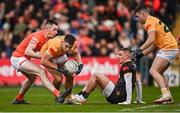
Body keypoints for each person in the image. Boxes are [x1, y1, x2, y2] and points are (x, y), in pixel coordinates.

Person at [11, 19, 71, 104]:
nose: (56, 32)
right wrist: (42, 56)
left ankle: (19, 98)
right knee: (41, 71)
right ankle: (58, 94)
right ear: (47, 29)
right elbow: (28, 51)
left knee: (32, 78)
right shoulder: (38, 36)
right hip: (18, 58)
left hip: (24, 59)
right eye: (54, 30)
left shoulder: (50, 39)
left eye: (57, 30)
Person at [131, 6, 178, 104]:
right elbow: (153, 45)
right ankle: (168, 96)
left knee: (153, 71)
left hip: (168, 48)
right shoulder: (153, 20)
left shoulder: (149, 22)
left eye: (138, 16)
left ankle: (165, 95)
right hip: (171, 47)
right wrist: (141, 54)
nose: (137, 19)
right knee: (159, 72)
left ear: (144, 14)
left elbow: (151, 39)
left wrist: (139, 49)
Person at [72, 48, 136, 104]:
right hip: (118, 94)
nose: (117, 57)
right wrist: (138, 99)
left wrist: (128, 101)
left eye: (120, 55)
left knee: (96, 75)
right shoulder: (131, 65)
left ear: (127, 55)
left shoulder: (127, 66)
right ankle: (80, 95)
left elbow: (129, 84)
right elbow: (138, 82)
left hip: (118, 96)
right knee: (95, 81)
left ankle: (82, 97)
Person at [40, 34, 83, 104]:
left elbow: (76, 53)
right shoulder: (54, 46)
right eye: (66, 46)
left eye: (69, 47)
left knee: (70, 76)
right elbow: (43, 61)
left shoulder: (73, 44)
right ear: (62, 42)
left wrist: (80, 64)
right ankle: (57, 96)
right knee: (58, 78)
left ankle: (68, 98)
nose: (67, 49)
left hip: (60, 54)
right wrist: (57, 68)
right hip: (48, 56)